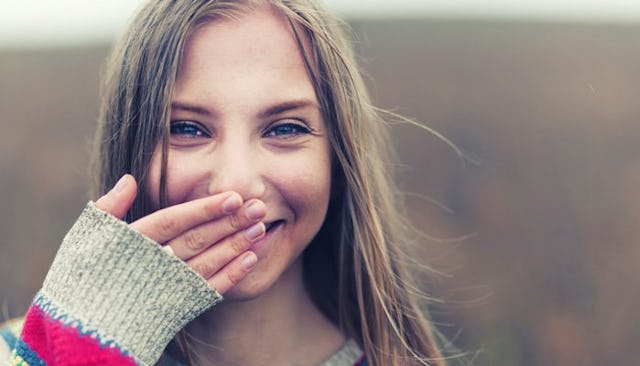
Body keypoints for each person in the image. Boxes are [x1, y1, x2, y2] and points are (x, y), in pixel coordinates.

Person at [0, 0, 452, 365]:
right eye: (187, 129)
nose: (235, 185)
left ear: (339, 163)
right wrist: (70, 354)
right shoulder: (21, 352)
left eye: (285, 128)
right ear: (128, 155)